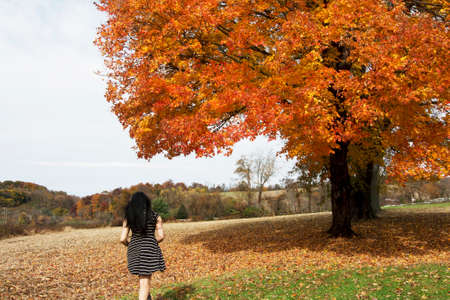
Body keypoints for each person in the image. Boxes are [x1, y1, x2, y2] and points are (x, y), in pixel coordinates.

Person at [120, 192, 166, 300]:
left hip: (134, 250)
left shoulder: (129, 217)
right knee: (145, 282)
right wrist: (152, 242)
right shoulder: (156, 216)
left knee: (143, 280)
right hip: (149, 250)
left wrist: (130, 244)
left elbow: (122, 239)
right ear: (146, 202)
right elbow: (161, 236)